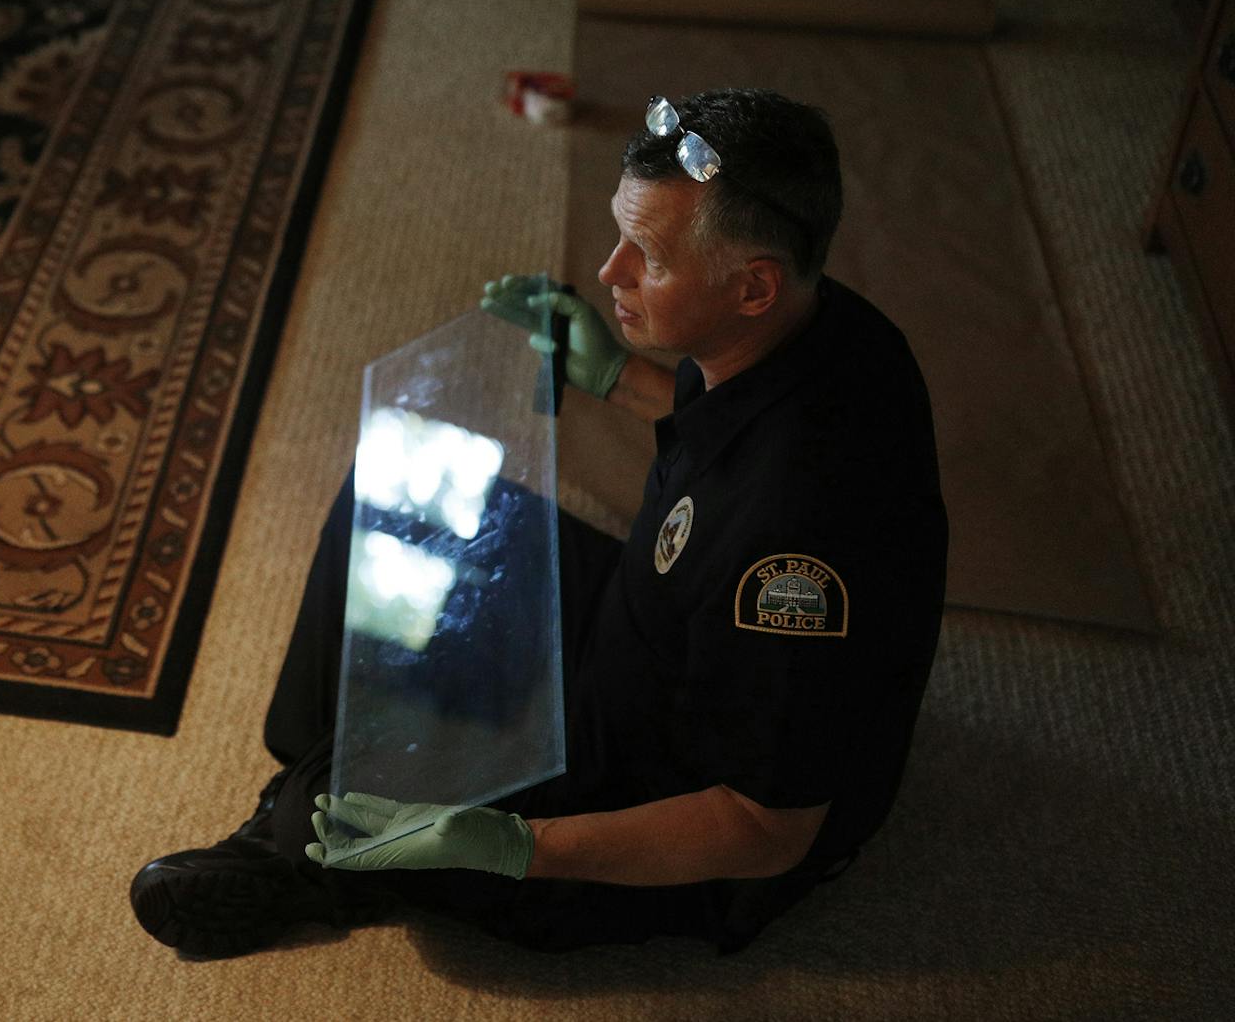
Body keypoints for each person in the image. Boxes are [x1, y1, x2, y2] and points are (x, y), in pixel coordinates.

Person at [130, 88, 948, 956]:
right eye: (620, 235)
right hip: (647, 627)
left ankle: (293, 837)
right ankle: (321, 767)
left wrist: (517, 847)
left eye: (648, 257)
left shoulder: (792, 551)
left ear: (752, 286)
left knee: (331, 812)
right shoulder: (825, 324)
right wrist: (614, 378)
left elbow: (769, 831)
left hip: (661, 797)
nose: (610, 273)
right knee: (404, 477)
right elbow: (723, 445)